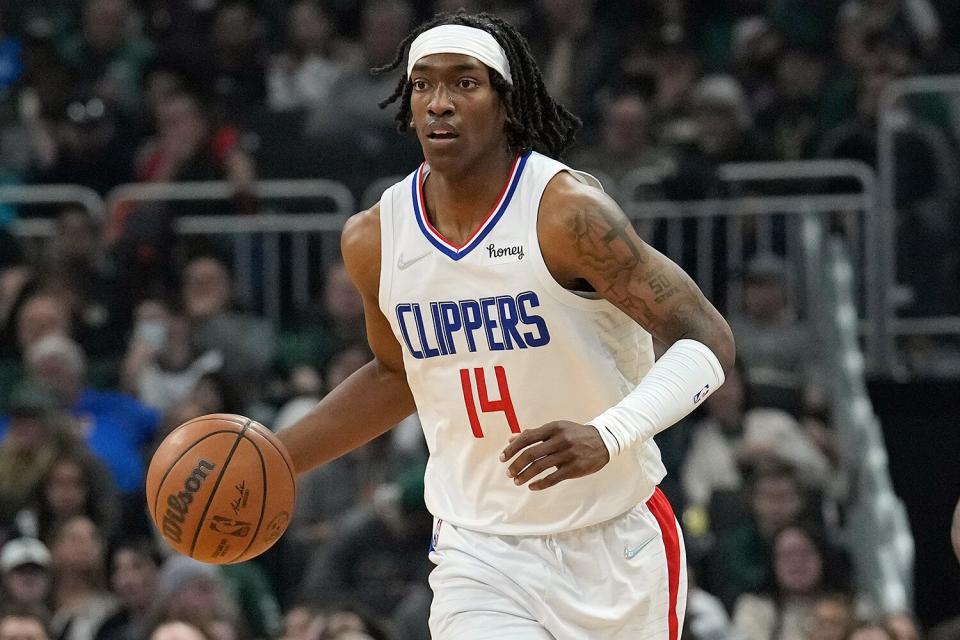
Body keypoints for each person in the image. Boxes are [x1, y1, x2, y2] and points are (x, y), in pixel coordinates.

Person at [275, 11, 735, 639]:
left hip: (613, 539)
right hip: (480, 550)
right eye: (423, 86)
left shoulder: (567, 215)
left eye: (466, 83)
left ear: (507, 103)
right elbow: (396, 376)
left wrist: (609, 433)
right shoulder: (375, 239)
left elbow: (707, 339)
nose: (440, 104)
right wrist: (276, 458)